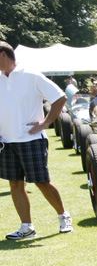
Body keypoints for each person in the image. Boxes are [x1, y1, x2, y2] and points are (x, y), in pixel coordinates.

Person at [0, 41, 72, 240]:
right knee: (15, 184)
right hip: (6, 141)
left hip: (31, 139)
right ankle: (26, 227)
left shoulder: (31, 74)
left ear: (3, 55)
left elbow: (60, 97)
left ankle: (63, 216)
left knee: (42, 182)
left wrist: (46, 122)